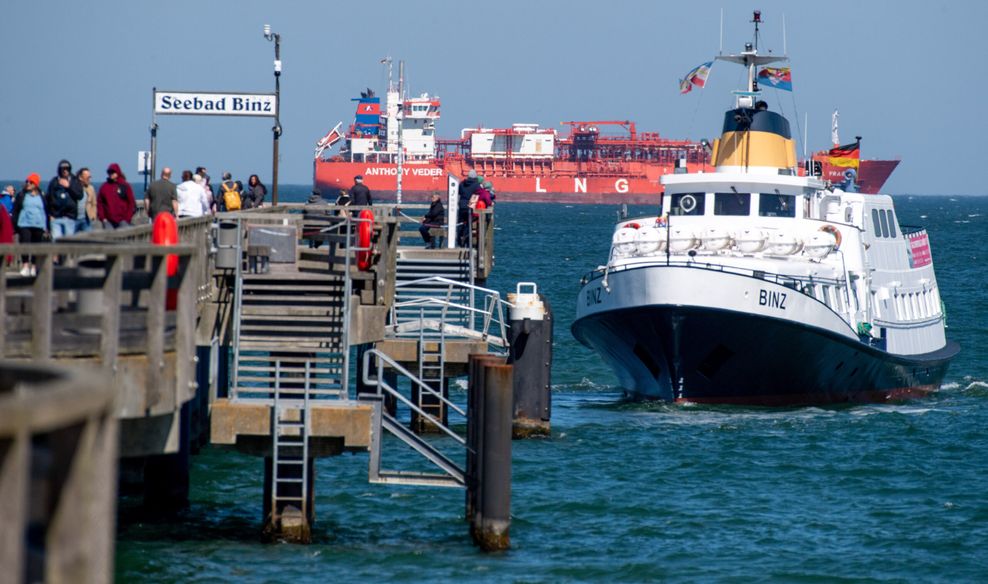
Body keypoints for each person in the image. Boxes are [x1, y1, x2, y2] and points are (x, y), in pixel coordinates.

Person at [12, 173, 49, 276]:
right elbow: (16, 210)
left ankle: (33, 266)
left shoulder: (42, 195)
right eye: (27, 181)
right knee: (24, 242)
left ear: (36, 184)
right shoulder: (22, 195)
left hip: (38, 224)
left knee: (36, 246)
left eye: (31, 182)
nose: (28, 183)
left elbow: (45, 210)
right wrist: (15, 225)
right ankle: (25, 265)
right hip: (24, 223)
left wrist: (46, 226)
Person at [46, 159, 83, 240]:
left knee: (68, 242)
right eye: (63, 169)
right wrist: (51, 214)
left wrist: (69, 187)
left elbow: (79, 195)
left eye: (67, 168)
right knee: (56, 241)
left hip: (70, 217)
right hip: (56, 217)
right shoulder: (54, 181)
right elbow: (49, 198)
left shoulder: (75, 181)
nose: (65, 171)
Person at [97, 163, 136, 229]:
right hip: (108, 221)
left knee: (124, 237)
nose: (111, 174)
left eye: (113, 172)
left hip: (123, 220)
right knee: (108, 238)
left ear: (118, 172)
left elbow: (131, 202)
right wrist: (103, 218)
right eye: (109, 172)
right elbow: (99, 203)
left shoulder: (125, 185)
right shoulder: (104, 187)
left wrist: (127, 218)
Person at [456, 169, 480, 246]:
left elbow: (459, 192)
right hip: (470, 206)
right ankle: (466, 239)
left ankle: (460, 240)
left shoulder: (462, 183)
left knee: (460, 223)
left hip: (462, 206)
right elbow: (479, 195)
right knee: (469, 223)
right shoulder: (477, 185)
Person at [77, 168, 97, 232]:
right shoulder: (74, 187)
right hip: (74, 219)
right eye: (87, 178)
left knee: (89, 239)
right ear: (80, 177)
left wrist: (93, 215)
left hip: (86, 219)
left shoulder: (91, 188)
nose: (89, 179)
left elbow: (94, 203)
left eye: (90, 177)